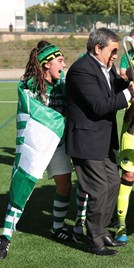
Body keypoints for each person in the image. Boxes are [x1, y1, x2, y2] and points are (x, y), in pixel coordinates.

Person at [65, 27, 134, 256]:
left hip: (104, 141)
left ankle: (101, 231)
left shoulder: (106, 66)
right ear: (98, 48)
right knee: (98, 189)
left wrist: (126, 82)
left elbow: (111, 89)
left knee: (113, 184)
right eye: (113, 50)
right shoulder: (81, 70)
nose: (116, 55)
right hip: (86, 141)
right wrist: (129, 94)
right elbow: (99, 106)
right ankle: (93, 239)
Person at [0, 41, 74, 259]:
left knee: (65, 186)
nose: (64, 64)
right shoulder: (27, 85)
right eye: (59, 61)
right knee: (23, 186)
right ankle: (5, 236)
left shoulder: (63, 85)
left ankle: (58, 228)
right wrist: (59, 120)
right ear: (46, 65)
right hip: (37, 145)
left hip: (58, 144)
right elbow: (35, 114)